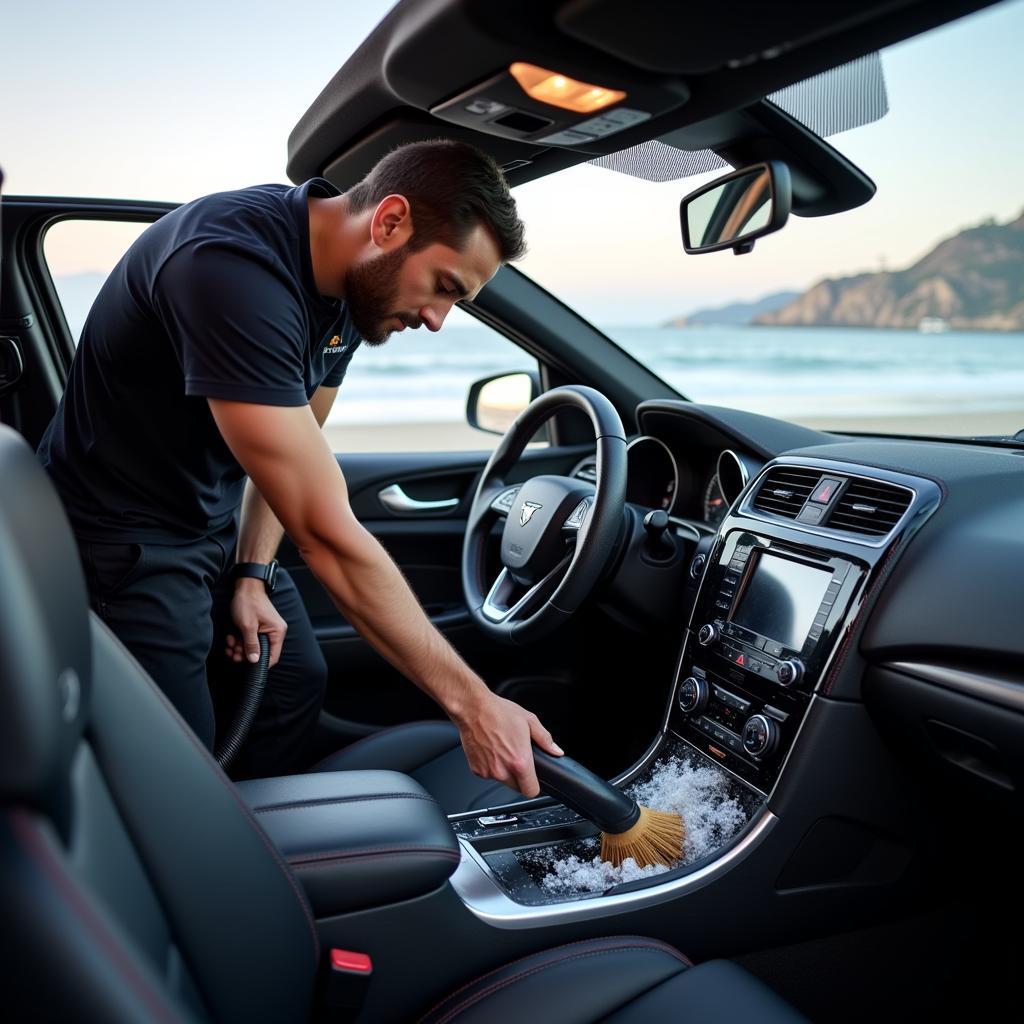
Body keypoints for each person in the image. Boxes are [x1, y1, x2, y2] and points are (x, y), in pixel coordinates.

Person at [37, 139, 563, 792]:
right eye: (444, 287)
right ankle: (207, 858)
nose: (436, 319)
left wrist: (253, 572)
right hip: (122, 538)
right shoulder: (230, 269)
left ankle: (268, 835)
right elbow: (324, 531)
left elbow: (293, 453)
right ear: (390, 221)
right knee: (176, 766)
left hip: (209, 521)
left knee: (293, 680)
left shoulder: (348, 288)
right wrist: (473, 704)